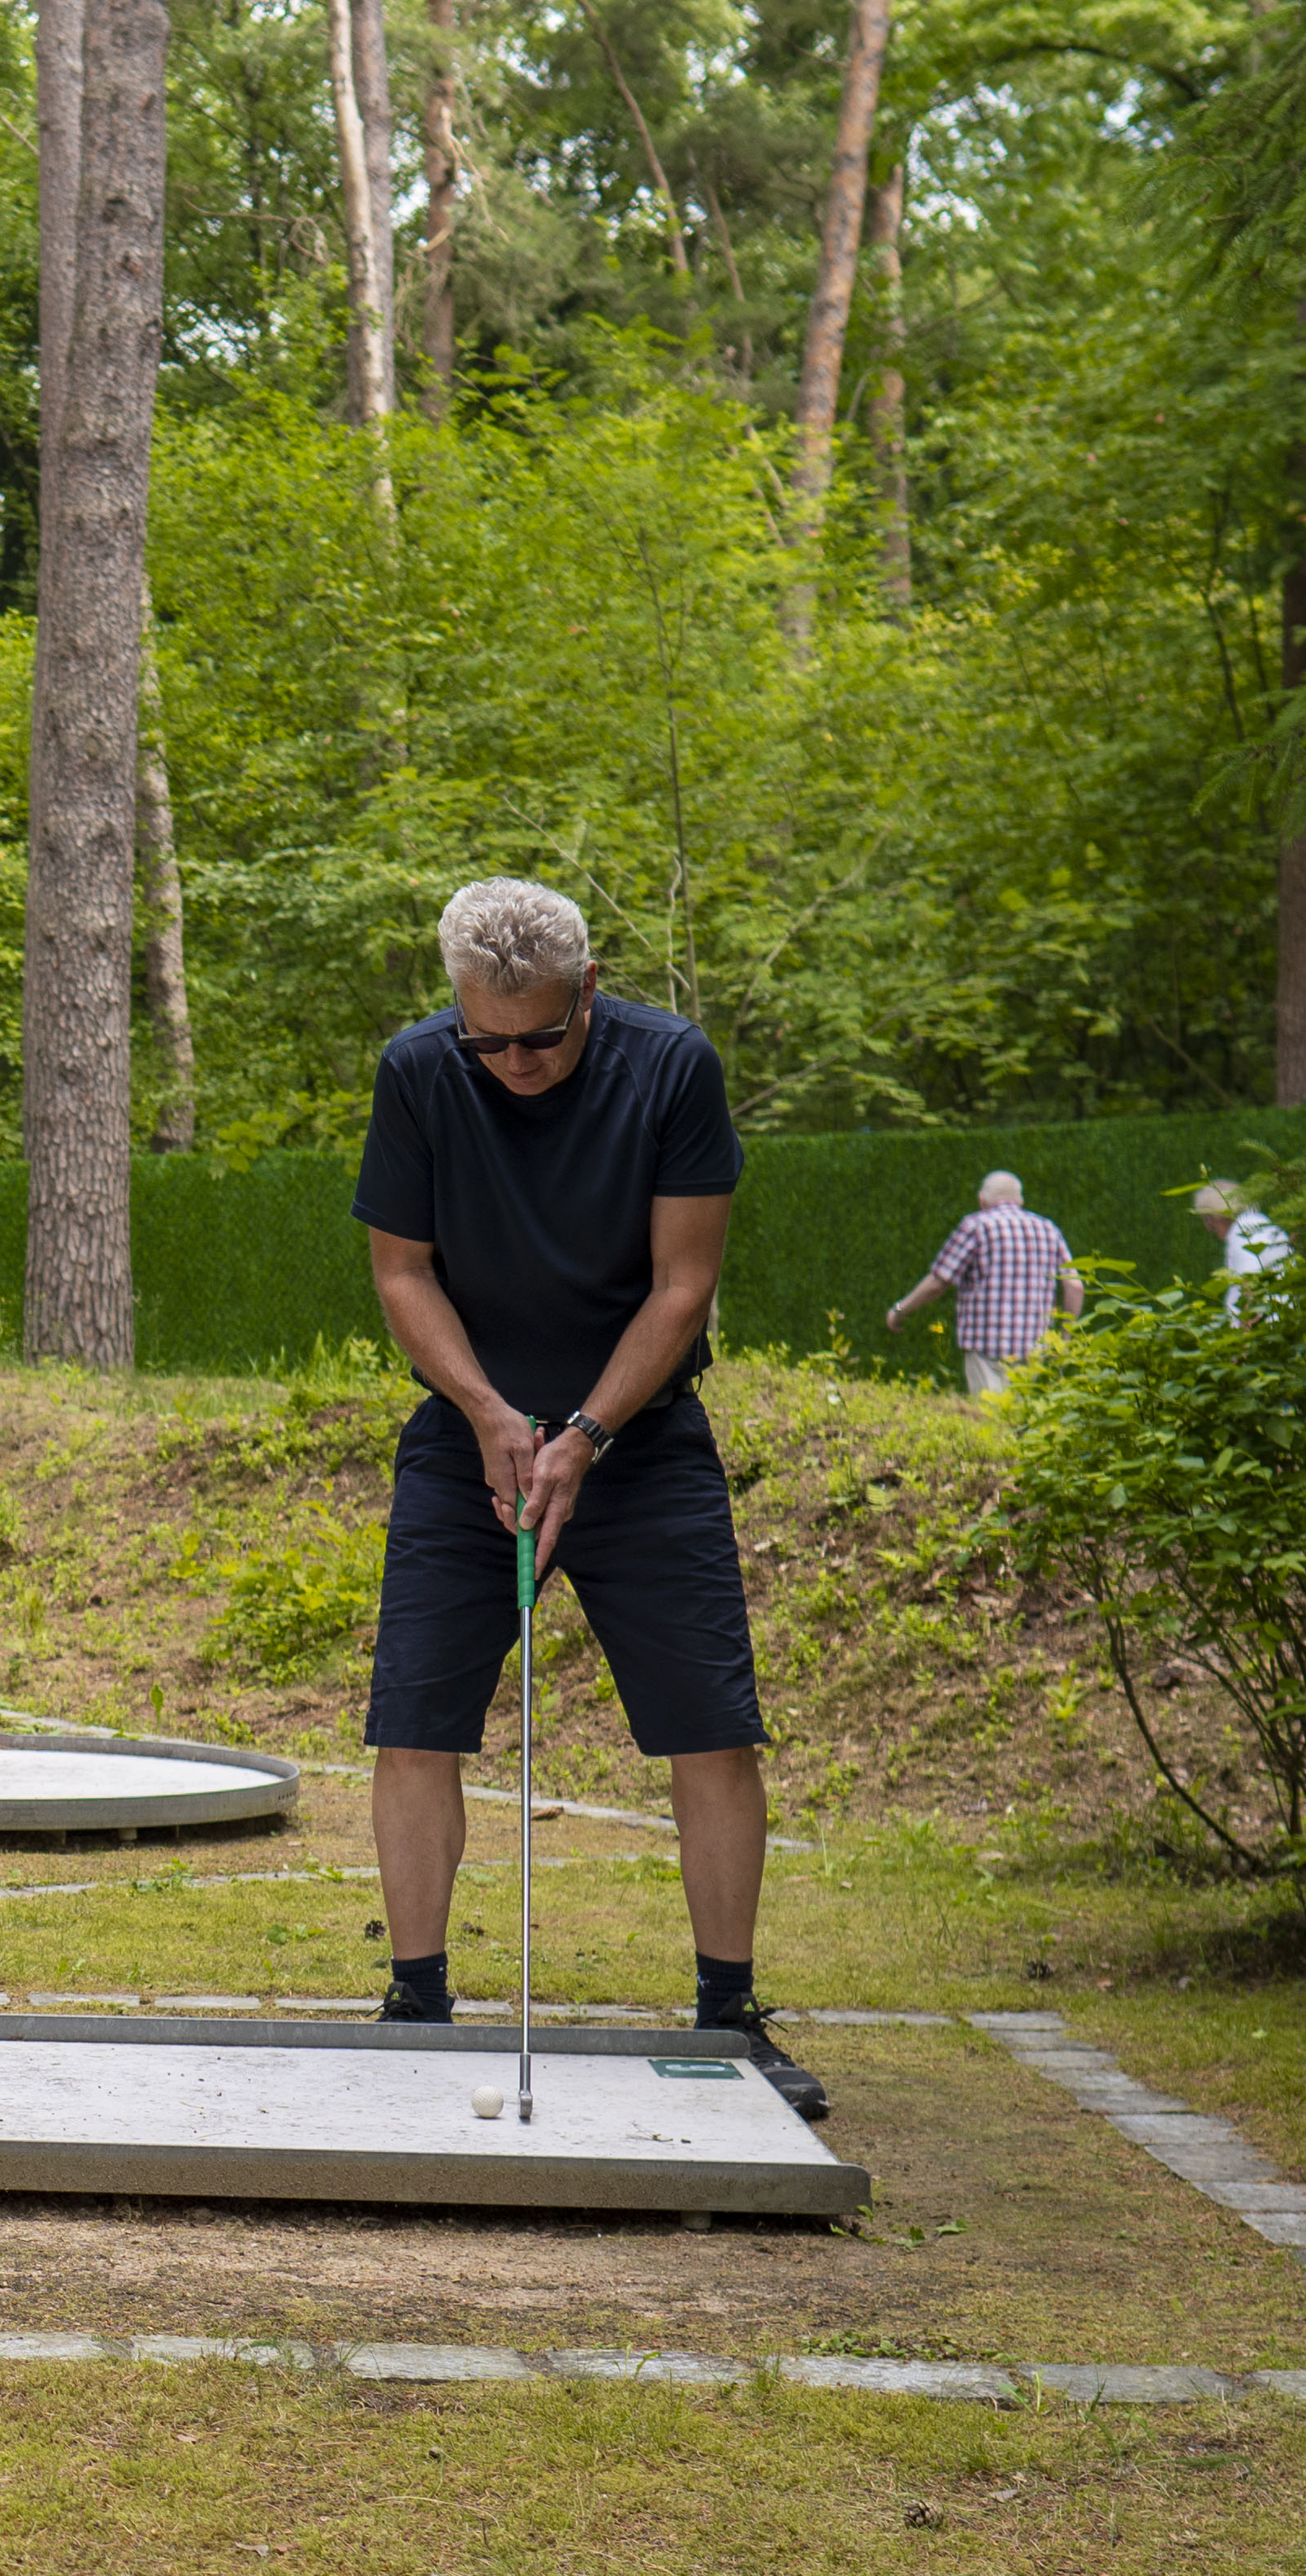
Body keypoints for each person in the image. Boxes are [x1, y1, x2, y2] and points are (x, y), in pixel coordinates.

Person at [352, 879, 824, 2119]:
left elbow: (683, 1286)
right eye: (487, 1040)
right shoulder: (418, 1073)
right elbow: (401, 1273)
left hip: (643, 1436)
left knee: (710, 1724)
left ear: (590, 992)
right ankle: (416, 2005)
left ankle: (731, 2014)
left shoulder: (672, 1069)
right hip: (473, 1441)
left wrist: (590, 1432)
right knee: (414, 1721)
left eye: (542, 1037)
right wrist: (494, 1418)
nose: (514, 1062)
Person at [884, 1171, 1083, 1396]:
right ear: (1020, 1201)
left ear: (981, 1200)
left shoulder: (977, 1226)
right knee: (1026, 1425)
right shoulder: (1048, 1229)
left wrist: (900, 1310)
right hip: (1035, 1351)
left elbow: (939, 1282)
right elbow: (1075, 1286)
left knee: (991, 1424)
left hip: (986, 1349)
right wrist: (1064, 1342)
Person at [1192, 1180, 1292, 1302]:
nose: (1208, 1228)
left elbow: (1251, 1283)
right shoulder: (1262, 1223)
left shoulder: (1241, 1234)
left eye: (1208, 1219)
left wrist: (1245, 1319)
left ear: (1219, 1213)